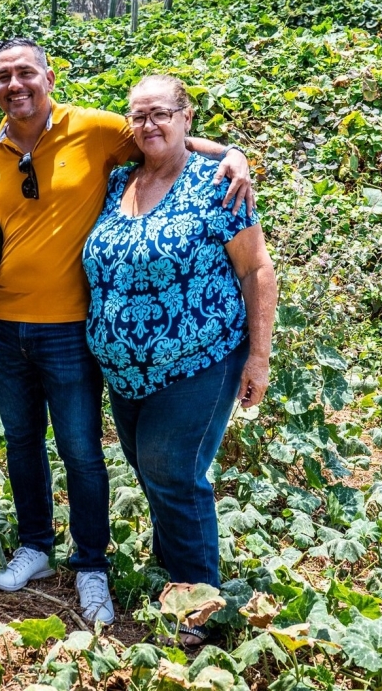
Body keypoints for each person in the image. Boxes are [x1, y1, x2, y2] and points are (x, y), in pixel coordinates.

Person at [0, 37, 252, 626]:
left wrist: (234, 152)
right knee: (21, 442)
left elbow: (160, 135)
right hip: (4, 325)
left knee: (81, 451)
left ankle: (91, 562)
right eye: (2, 77)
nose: (15, 85)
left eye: (26, 73)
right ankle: (36, 546)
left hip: (71, 328)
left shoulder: (94, 130)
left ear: (48, 77)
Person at [82, 74, 276, 646]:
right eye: (138, 116)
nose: (148, 125)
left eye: (160, 114)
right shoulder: (120, 179)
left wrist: (259, 357)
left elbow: (255, 269)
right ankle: (173, 579)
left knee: (172, 471)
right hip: (126, 370)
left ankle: (200, 615)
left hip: (201, 360)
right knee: (152, 472)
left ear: (186, 118)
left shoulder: (215, 184)